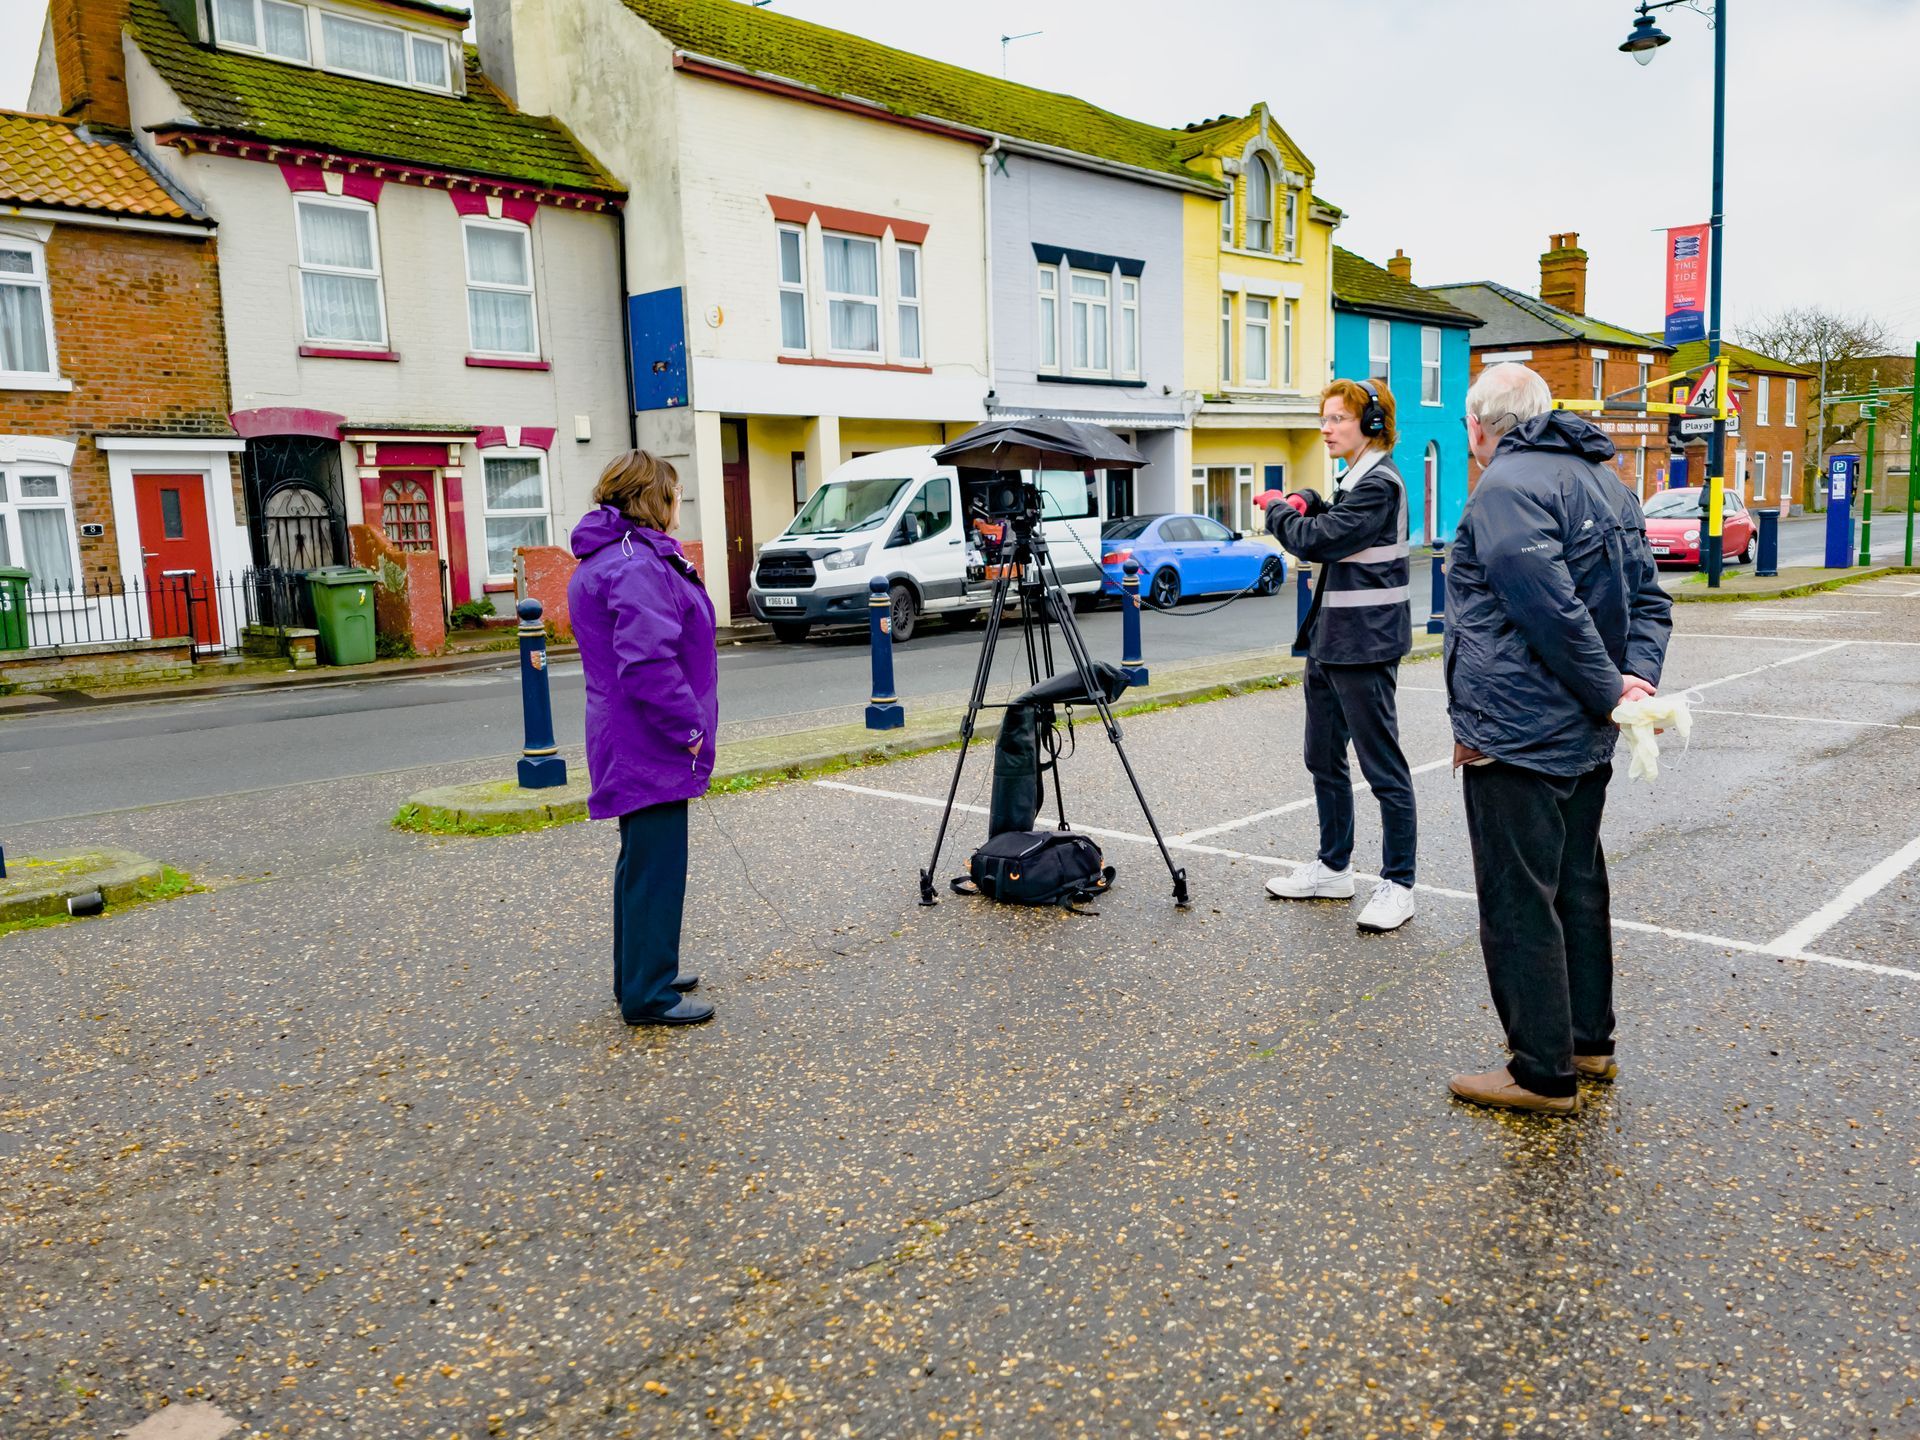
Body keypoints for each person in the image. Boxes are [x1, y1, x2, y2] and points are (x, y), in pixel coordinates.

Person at [1444, 363, 1672, 1115]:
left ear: (1481, 427)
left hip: (1518, 731)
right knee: (1577, 884)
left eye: (1470, 428)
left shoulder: (1504, 488)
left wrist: (1614, 690)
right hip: (1583, 731)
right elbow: (1649, 599)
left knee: (1519, 902)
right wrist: (1631, 683)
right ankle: (1587, 1042)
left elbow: (1549, 612)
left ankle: (1541, 1072)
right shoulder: (1608, 483)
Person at [1254, 378, 1417, 934]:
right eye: (1323, 418)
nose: (1325, 428)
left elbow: (1318, 540)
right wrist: (1309, 498)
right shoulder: (1356, 481)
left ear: (1371, 424)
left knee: (1383, 769)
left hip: (1366, 645)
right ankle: (1333, 867)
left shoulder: (1381, 485)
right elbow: (1330, 521)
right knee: (1322, 758)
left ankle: (1399, 884)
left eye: (1337, 419)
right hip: (1331, 641)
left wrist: (1279, 509)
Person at [568, 451, 719, 1027]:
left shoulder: (619, 557)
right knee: (655, 864)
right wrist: (689, 730)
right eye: (676, 492)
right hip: (648, 737)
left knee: (642, 861)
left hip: (629, 732)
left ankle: (641, 971)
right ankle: (648, 994)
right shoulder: (635, 564)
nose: (681, 503)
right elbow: (648, 663)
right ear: (656, 498)